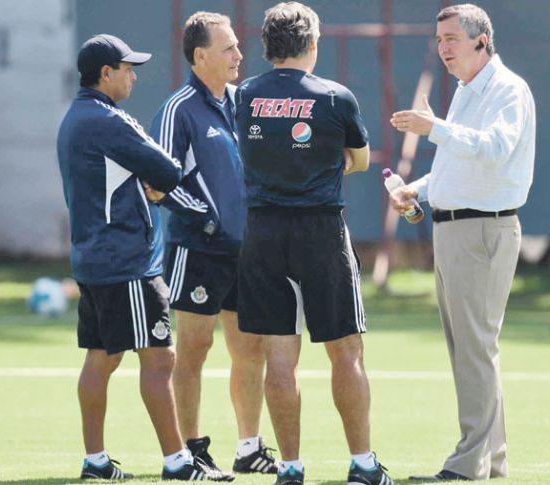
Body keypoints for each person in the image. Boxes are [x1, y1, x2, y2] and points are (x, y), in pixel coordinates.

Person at [234, 3, 396, 485]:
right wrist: (327, 164)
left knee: (281, 355)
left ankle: (289, 467)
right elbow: (361, 160)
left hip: (262, 232)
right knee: (346, 352)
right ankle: (363, 465)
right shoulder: (334, 97)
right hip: (320, 232)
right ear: (312, 44)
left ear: (266, 45)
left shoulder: (244, 95)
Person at [57, 33, 226, 481]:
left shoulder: (74, 117)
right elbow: (168, 170)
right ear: (105, 74)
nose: (133, 75)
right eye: (127, 68)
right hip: (127, 260)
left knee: (101, 357)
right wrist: (153, 184)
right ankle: (177, 462)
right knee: (159, 358)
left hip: (92, 259)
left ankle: (95, 462)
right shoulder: (111, 120)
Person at [388, 4, 535, 481]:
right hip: (453, 228)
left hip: (483, 230)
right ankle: (491, 462)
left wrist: (434, 128)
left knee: (475, 350)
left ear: (481, 42)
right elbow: (459, 163)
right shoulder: (469, 90)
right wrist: (419, 189)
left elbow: (494, 148)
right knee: (469, 351)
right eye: (440, 39)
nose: (443, 48)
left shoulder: (508, 89)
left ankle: (467, 465)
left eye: (452, 38)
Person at [148, 11, 277, 479]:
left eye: (237, 46)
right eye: (228, 48)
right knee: (195, 349)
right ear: (200, 56)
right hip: (197, 251)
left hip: (247, 251)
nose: (239, 54)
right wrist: (204, 218)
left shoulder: (244, 102)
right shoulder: (178, 108)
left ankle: (248, 448)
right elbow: (157, 179)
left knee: (251, 349)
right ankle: (191, 450)